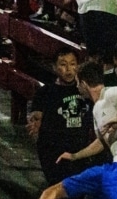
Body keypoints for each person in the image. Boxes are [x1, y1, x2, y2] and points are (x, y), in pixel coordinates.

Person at [56, 60, 117, 165]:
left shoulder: (110, 93)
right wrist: (75, 156)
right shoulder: (97, 108)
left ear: (83, 84)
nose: (77, 87)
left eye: (78, 83)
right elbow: (102, 142)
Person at [26, 47, 94, 186]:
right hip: (52, 150)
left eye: (73, 64)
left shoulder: (86, 90)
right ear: (54, 67)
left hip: (80, 149)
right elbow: (36, 116)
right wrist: (35, 123)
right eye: (63, 64)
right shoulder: (45, 92)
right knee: (57, 187)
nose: (69, 69)